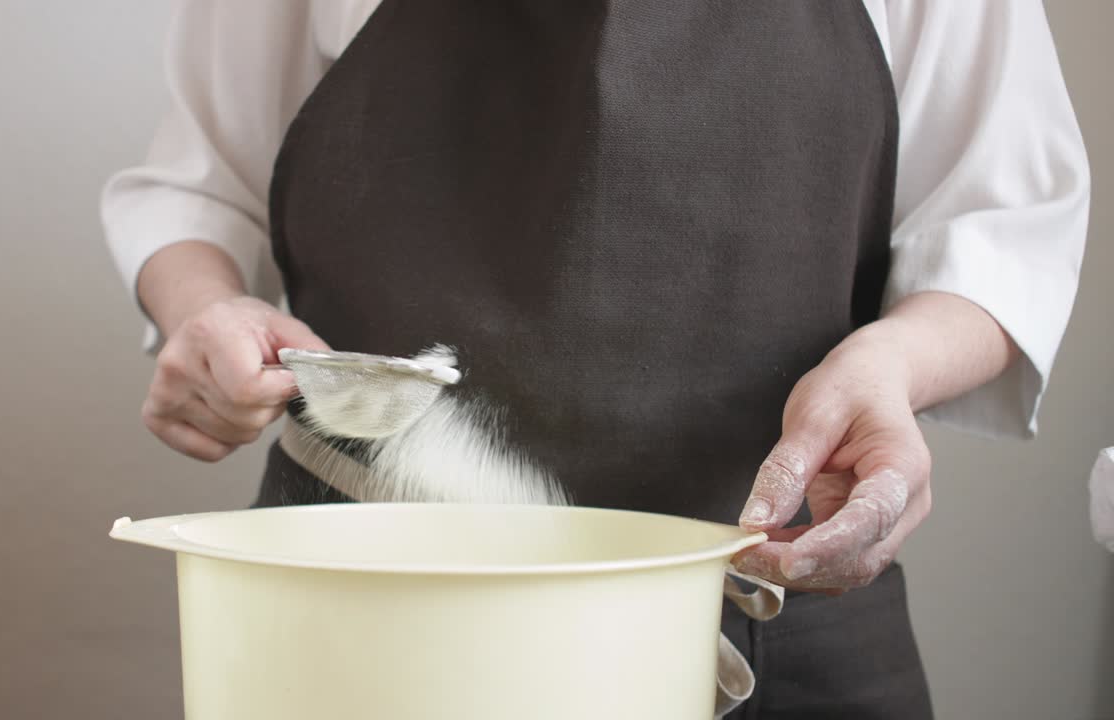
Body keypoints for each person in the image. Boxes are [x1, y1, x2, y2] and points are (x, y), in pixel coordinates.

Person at [102, 2, 1089, 717]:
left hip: (767, 604)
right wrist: (204, 310)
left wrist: (891, 365)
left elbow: (1000, 227)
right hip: (362, 604)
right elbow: (200, 187)